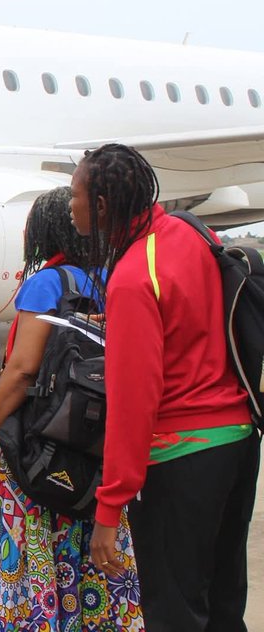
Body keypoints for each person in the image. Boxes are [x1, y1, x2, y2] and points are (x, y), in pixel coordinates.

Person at [72, 143, 259, 631]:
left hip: (182, 454)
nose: (70, 206)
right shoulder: (185, 232)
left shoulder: (133, 277)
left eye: (75, 195)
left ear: (103, 205)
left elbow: (135, 403)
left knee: (174, 609)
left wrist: (110, 506)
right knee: (221, 602)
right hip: (237, 441)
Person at [0, 186, 142, 630]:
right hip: (97, 450)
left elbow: (20, 372)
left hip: (40, 449)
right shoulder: (116, 280)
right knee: (87, 553)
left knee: (13, 556)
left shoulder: (47, 283)